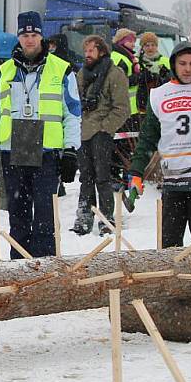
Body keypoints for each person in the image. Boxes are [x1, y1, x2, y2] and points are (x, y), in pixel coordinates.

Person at [0, 11, 82, 258]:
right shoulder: (4, 72)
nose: (29, 40)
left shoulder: (62, 70)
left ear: (42, 37)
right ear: (18, 38)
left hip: (46, 152)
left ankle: (46, 272)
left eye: (34, 34)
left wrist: (71, 150)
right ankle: (18, 269)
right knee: (18, 218)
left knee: (45, 219)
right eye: (25, 35)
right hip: (13, 150)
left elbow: (72, 114)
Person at [128, 42, 191, 247]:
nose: (187, 68)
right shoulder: (159, 94)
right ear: (174, 64)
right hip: (174, 182)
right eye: (182, 63)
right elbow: (147, 139)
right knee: (169, 247)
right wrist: (136, 172)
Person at [71, 35, 130, 236]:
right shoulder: (81, 73)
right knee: (86, 177)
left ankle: (106, 217)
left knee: (102, 177)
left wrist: (106, 128)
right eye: (85, 51)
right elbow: (73, 100)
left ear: (102, 51)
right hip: (83, 131)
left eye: (91, 50)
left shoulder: (115, 74)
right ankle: (84, 215)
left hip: (102, 132)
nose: (87, 55)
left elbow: (122, 108)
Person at [110, 28, 141, 126]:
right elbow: (117, 83)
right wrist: (137, 77)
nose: (133, 44)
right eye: (130, 41)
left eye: (134, 41)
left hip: (129, 108)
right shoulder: (119, 58)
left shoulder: (126, 56)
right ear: (121, 41)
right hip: (124, 109)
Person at [136, 32, 171, 114]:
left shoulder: (166, 61)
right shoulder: (136, 62)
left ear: (157, 46)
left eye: (153, 45)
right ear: (142, 47)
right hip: (142, 105)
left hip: (162, 103)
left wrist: (165, 76)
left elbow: (173, 81)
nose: (150, 48)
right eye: (147, 45)